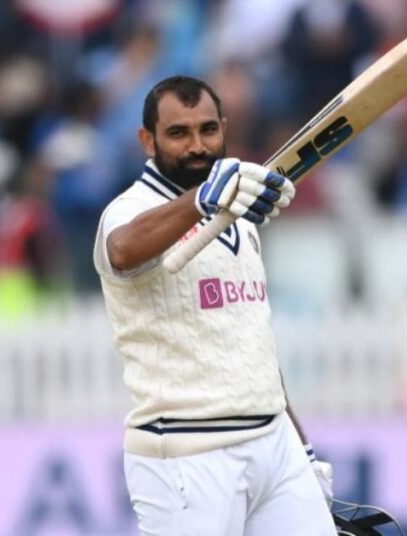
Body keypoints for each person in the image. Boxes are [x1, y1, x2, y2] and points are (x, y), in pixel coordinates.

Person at [92, 75, 335, 535]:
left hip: (272, 442)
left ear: (224, 127)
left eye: (207, 130)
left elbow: (253, 342)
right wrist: (200, 201)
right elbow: (122, 250)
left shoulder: (241, 216)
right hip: (187, 452)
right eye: (178, 133)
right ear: (148, 140)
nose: (196, 146)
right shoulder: (129, 210)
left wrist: (300, 446)